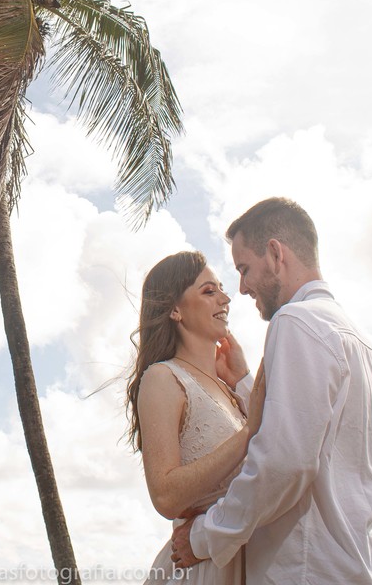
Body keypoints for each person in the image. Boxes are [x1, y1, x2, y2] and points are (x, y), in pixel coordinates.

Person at [170, 198, 372, 585]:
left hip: (315, 571)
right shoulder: (354, 336)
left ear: (274, 253)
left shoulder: (295, 321)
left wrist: (203, 536)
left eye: (244, 268)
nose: (241, 287)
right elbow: (317, 433)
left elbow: (284, 463)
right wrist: (244, 383)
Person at [126, 250, 253, 585]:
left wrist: (241, 379)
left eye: (221, 290)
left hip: (247, 561)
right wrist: (247, 434)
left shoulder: (229, 390)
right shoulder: (163, 378)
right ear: (175, 309)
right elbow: (166, 496)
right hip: (203, 570)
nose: (226, 298)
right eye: (209, 291)